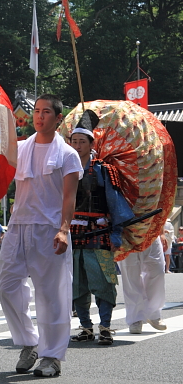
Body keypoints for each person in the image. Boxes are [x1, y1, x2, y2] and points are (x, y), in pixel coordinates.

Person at [0, 93, 83, 377]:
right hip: (18, 227)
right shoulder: (20, 149)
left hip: (49, 231)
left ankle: (52, 356)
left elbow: (69, 198)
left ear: (58, 119)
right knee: (8, 287)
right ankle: (28, 342)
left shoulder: (68, 155)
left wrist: (63, 230)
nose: (39, 116)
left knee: (51, 295)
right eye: (36, 110)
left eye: (46, 112)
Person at [69, 110, 135, 345]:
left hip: (99, 230)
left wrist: (116, 232)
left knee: (104, 281)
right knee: (76, 282)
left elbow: (115, 203)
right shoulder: (63, 169)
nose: (77, 146)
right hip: (72, 232)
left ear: (90, 144)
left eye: (81, 141)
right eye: (73, 141)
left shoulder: (104, 170)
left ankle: (105, 326)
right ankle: (86, 327)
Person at [118, 233, 168, 334]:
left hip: (151, 232)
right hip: (126, 232)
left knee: (157, 271)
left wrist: (161, 232)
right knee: (130, 275)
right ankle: (135, 319)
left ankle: (154, 314)